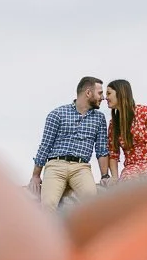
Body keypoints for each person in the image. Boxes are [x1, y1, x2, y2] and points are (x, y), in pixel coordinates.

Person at [28, 77, 111, 211]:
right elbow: (45, 145)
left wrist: (105, 176)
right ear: (88, 93)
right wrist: (36, 176)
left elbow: (101, 150)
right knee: (48, 204)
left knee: (92, 201)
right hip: (55, 166)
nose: (103, 98)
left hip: (81, 168)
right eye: (100, 93)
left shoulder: (99, 118)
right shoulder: (57, 114)